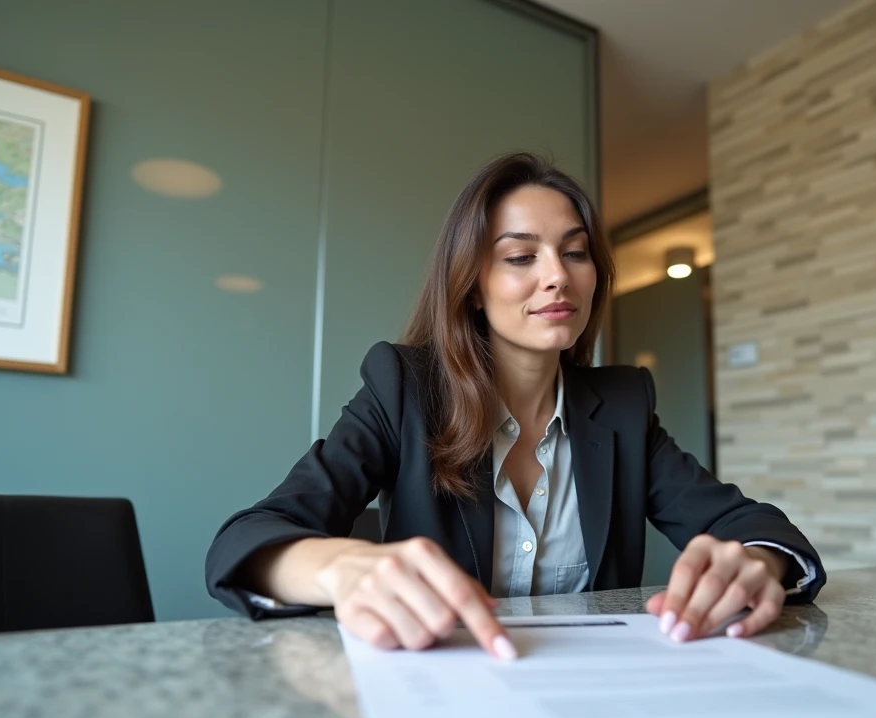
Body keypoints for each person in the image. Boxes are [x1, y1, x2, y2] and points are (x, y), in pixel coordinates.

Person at [205, 152, 825, 660]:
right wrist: (342, 567)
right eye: (521, 257)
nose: (557, 276)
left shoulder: (623, 406)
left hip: (594, 697)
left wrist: (754, 564)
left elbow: (761, 530)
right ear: (473, 287)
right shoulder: (404, 387)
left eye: (575, 252)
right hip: (443, 698)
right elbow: (249, 538)